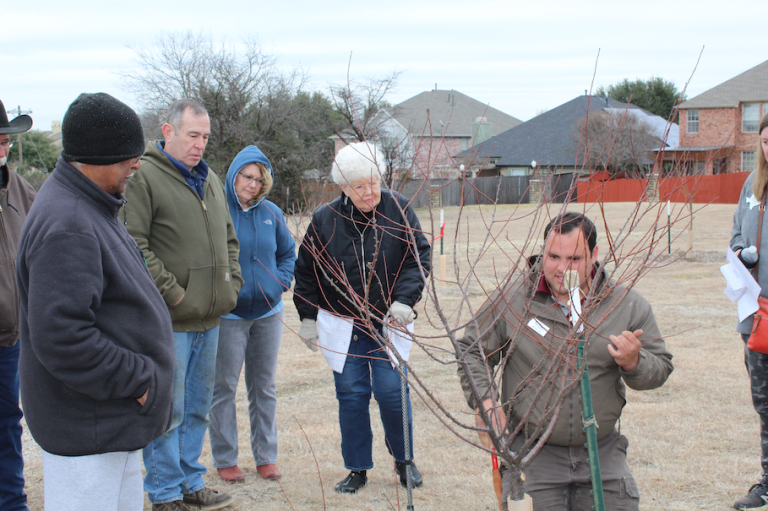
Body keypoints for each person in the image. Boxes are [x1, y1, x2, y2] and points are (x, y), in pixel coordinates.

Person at [16, 92, 175, 511]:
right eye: (127, 157)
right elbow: (62, 337)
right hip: (88, 426)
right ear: (96, 158)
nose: (136, 164)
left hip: (106, 421)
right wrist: (138, 380)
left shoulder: (89, 204)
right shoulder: (69, 224)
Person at [458, 212, 673, 511]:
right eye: (553, 256)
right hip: (531, 454)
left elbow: (660, 367)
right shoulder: (513, 299)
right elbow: (471, 349)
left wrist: (634, 362)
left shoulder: (626, 304)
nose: (561, 269)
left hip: (601, 452)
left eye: (574, 259)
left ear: (594, 255)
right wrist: (485, 401)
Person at [123, 99, 243, 511]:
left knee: (197, 410)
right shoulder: (144, 177)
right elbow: (133, 244)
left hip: (210, 319)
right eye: (193, 135)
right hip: (168, 321)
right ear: (167, 131)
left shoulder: (208, 178)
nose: (200, 145)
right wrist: (175, 292)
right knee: (166, 411)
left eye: (206, 137)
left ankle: (192, 482)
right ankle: (165, 492)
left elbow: (229, 237)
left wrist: (232, 284)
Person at [293, 141, 431, 494]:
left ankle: (404, 461)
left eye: (373, 182)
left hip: (388, 323)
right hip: (344, 325)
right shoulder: (325, 220)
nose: (370, 191)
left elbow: (417, 257)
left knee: (391, 393)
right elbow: (306, 272)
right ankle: (357, 468)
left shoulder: (398, 209)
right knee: (351, 395)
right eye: (360, 186)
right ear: (343, 188)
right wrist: (307, 317)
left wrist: (404, 300)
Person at [209, 145, 296, 483]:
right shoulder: (217, 211)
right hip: (229, 316)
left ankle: (266, 457)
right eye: (247, 176)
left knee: (264, 386)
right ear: (234, 175)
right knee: (224, 388)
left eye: (259, 180)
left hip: (268, 314)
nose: (252, 184)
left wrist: (279, 284)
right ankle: (226, 458)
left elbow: (288, 254)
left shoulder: (271, 212)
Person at [730, 113, 768, 510]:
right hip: (756, 313)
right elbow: (736, 234)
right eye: (766, 141)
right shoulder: (751, 185)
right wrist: (743, 250)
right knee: (765, 404)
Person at [0, 100, 34, 511]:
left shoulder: (20, 188)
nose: (4, 141)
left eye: (6, 134)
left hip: (13, 335)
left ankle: (11, 501)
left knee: (9, 421)